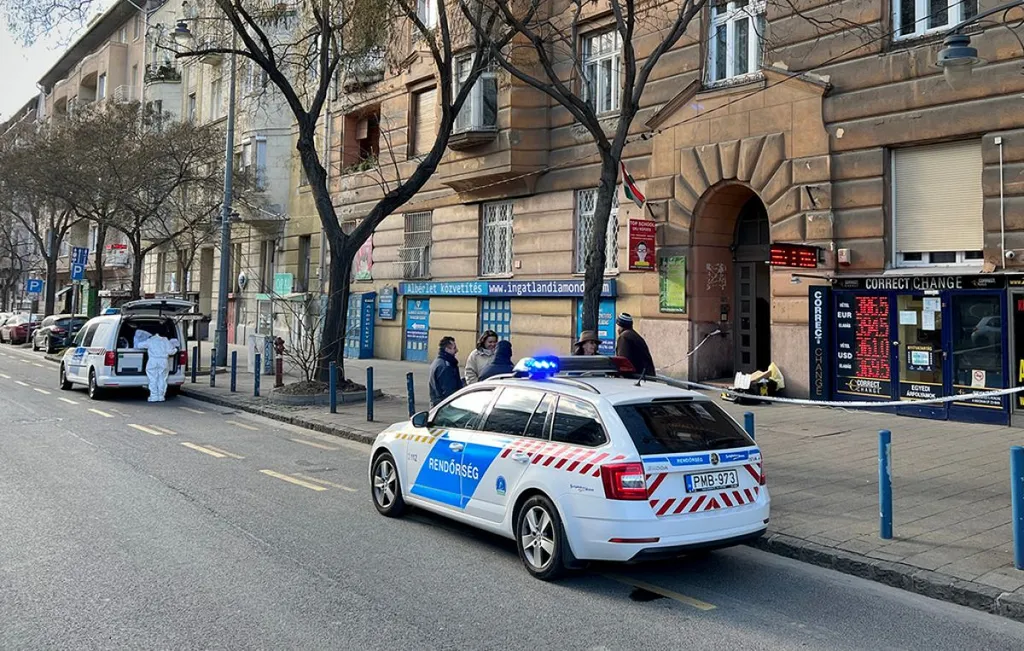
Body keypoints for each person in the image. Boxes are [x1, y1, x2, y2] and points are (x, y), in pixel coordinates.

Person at [139, 333, 178, 402]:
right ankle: (161, 396)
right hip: (163, 361)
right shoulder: (165, 340)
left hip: (153, 361)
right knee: (162, 379)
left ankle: (153, 396)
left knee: (152, 379)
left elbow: (139, 345)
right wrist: (175, 349)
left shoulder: (150, 340)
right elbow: (170, 352)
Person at [429, 336, 463, 406]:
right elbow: (449, 391)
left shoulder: (438, 362)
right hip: (445, 406)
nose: (457, 350)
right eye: (454, 348)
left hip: (437, 404)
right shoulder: (446, 367)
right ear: (447, 349)